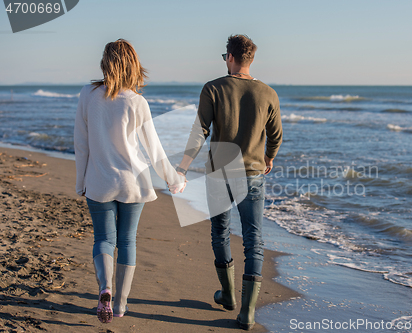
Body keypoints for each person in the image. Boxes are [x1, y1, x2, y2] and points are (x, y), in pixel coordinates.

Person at [74, 39, 185, 323]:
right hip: (133, 183)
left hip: (99, 180)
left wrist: (80, 180)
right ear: (134, 65)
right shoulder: (137, 102)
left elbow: (81, 144)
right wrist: (174, 179)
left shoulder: (88, 95)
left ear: (104, 63)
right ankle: (121, 305)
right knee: (127, 240)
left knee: (103, 239)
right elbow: (154, 149)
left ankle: (105, 288)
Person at [176, 34, 283, 330]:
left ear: (231, 57)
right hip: (252, 174)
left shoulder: (213, 88)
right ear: (251, 60)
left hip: (219, 172)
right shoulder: (268, 93)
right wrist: (269, 157)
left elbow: (200, 132)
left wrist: (183, 167)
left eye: (226, 57)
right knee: (253, 238)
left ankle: (227, 296)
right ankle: (247, 312)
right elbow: (275, 136)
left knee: (221, 231)